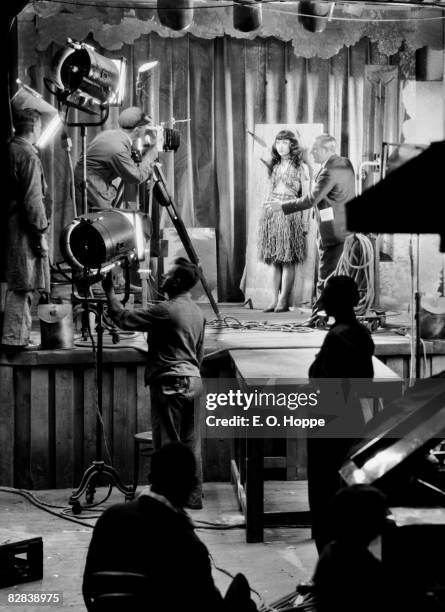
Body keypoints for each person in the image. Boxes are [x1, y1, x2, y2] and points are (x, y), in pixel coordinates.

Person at [83, 442, 257, 612]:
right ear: (191, 486)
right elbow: (209, 605)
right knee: (241, 590)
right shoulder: (187, 543)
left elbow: (88, 589)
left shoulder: (110, 517)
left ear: (151, 478)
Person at [102, 257, 206, 509]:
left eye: (168, 275)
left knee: (167, 443)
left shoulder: (165, 310)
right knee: (191, 443)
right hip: (194, 381)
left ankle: (166, 502)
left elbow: (123, 317)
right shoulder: (198, 312)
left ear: (178, 281)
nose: (162, 278)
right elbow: (199, 354)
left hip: (170, 382)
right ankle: (192, 496)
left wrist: (109, 290)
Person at [306, 275, 374, 552]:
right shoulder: (362, 334)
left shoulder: (337, 337)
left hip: (328, 421)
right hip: (352, 418)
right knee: (342, 488)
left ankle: (327, 559)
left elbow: (322, 381)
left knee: (323, 492)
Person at [268, 134, 355, 325]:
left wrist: (282, 206)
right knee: (340, 275)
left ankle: (317, 317)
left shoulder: (328, 172)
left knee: (325, 277)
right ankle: (338, 315)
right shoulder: (345, 163)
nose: (312, 152)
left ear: (327, 150)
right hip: (346, 227)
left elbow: (310, 200)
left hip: (332, 231)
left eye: (315, 149)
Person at [1, 108, 50, 351]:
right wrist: (41, 233)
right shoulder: (28, 155)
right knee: (24, 283)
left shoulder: (9, 149)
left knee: (16, 282)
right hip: (22, 228)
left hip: (9, 225)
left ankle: (15, 337)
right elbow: (33, 200)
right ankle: (15, 340)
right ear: (35, 128)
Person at [258, 129, 309, 312]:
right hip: (272, 214)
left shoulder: (301, 167)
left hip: (290, 213)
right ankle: (273, 299)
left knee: (288, 260)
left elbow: (307, 197)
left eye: (285, 142)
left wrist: (305, 223)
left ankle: (283, 300)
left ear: (292, 145)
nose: (280, 146)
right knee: (274, 259)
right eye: (278, 142)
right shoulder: (275, 166)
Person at [74, 106, 157, 212]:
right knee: (101, 222)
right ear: (137, 130)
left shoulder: (110, 135)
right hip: (91, 184)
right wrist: (151, 156)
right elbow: (136, 177)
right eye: (145, 126)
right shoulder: (118, 148)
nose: (147, 129)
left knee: (93, 222)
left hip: (86, 180)